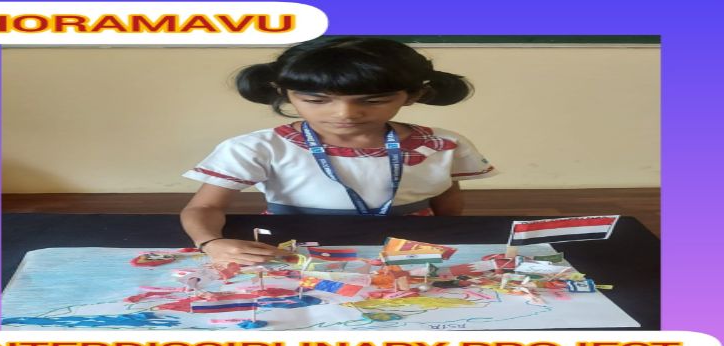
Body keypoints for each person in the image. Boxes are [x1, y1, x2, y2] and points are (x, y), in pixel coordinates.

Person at [180, 36, 495, 265]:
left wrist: (446, 233)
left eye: (374, 100)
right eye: (315, 100)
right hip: (293, 242)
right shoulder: (259, 147)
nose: (345, 114)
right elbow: (203, 208)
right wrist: (211, 242)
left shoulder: (443, 144)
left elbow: (446, 195)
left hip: (409, 243)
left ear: (414, 95)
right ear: (284, 93)